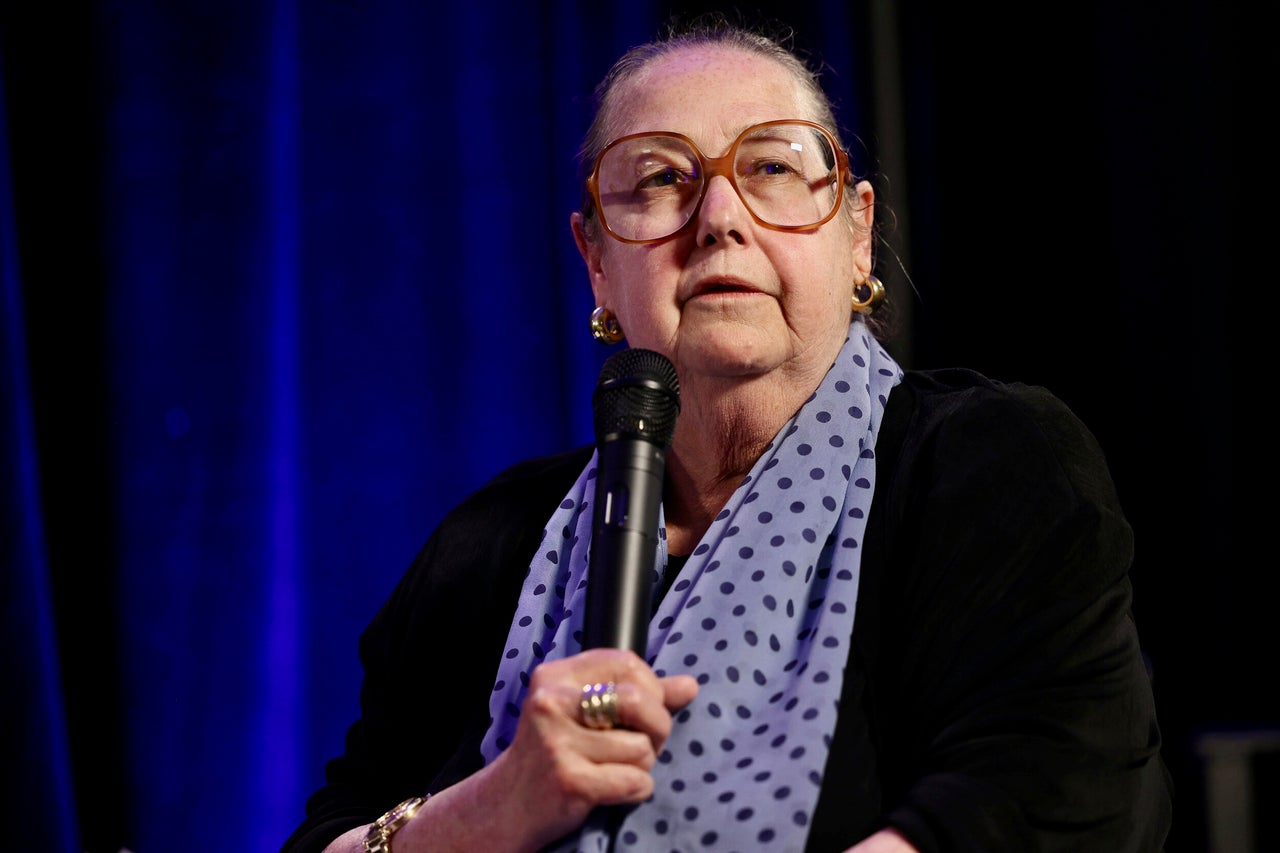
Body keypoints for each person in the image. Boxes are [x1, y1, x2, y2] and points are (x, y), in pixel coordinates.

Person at [281, 16, 1173, 853]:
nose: (720, 217)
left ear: (857, 234)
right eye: (663, 177)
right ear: (596, 258)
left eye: (774, 169)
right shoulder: (487, 546)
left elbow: (1053, 792)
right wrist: (499, 800)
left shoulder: (985, 464)